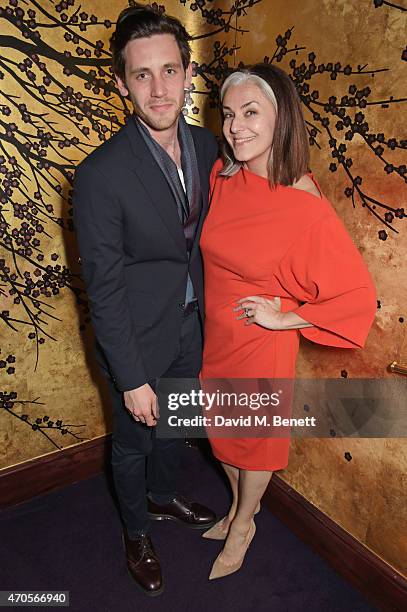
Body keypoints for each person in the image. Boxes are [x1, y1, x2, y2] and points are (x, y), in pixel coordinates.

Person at [199, 63, 377, 580]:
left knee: (253, 440)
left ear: (282, 118)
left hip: (259, 340)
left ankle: (244, 524)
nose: (236, 127)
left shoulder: (304, 203)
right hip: (218, 333)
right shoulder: (224, 175)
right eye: (230, 115)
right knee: (222, 430)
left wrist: (284, 319)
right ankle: (237, 507)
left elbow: (355, 294)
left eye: (251, 113)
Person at [73, 4, 218, 597]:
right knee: (134, 441)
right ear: (122, 82)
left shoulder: (211, 147)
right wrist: (131, 377)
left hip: (192, 324)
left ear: (187, 73)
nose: (159, 89)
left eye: (169, 71)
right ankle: (137, 530)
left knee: (178, 428)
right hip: (134, 338)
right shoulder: (99, 174)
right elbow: (103, 286)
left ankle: (162, 499)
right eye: (142, 74)